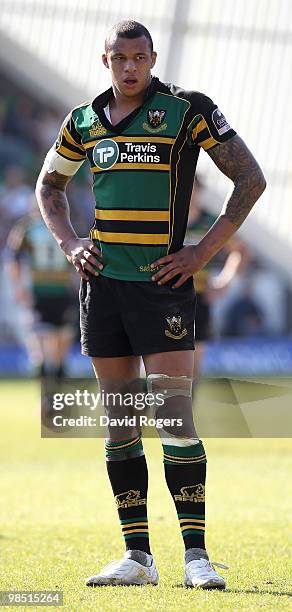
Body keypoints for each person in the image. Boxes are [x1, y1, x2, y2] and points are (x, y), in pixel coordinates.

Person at [35, 20, 266, 589]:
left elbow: (250, 179)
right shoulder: (83, 121)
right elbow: (49, 186)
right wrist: (70, 242)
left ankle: (196, 558)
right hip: (102, 287)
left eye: (140, 57)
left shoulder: (186, 110)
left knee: (173, 418)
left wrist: (202, 253)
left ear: (153, 58)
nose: (131, 67)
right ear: (105, 60)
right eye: (121, 58)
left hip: (161, 284)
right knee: (120, 424)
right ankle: (137, 557)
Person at [186, 177, 251, 379]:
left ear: (198, 190)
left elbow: (240, 251)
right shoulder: (164, 221)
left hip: (198, 299)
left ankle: (187, 410)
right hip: (162, 297)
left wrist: (225, 280)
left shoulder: (210, 222)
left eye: (191, 188)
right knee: (156, 363)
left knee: (194, 367)